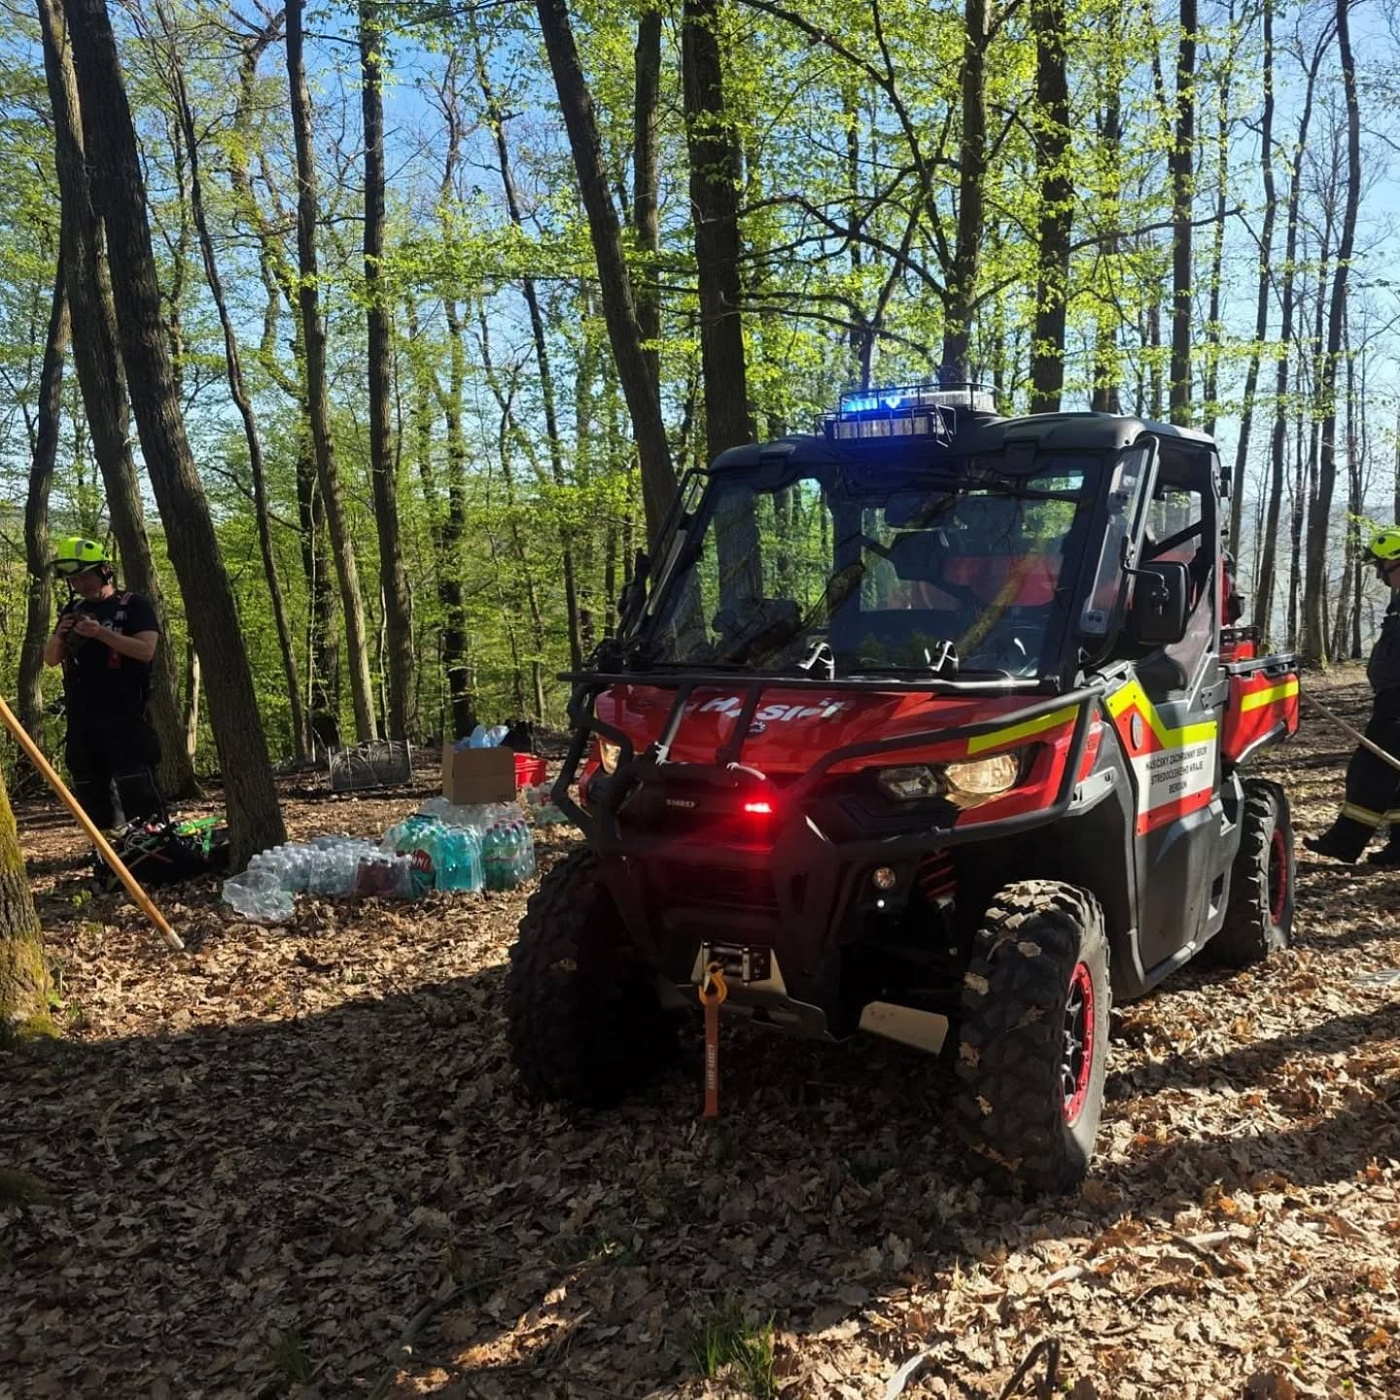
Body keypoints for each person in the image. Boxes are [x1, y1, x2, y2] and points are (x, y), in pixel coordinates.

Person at [42, 536, 165, 835]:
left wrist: (100, 634)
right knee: (92, 790)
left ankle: (156, 847)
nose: (80, 584)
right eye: (74, 579)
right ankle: (107, 852)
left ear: (104, 571)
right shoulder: (72, 610)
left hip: (125, 715)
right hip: (83, 719)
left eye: (86, 576)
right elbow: (51, 659)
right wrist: (60, 635)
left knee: (137, 788)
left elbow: (146, 650)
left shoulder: (134, 605)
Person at [1304, 527, 1400, 866]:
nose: (1379, 575)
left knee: (1370, 769)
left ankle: (1344, 843)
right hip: (1391, 697)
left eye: (1382, 566)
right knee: (1393, 774)